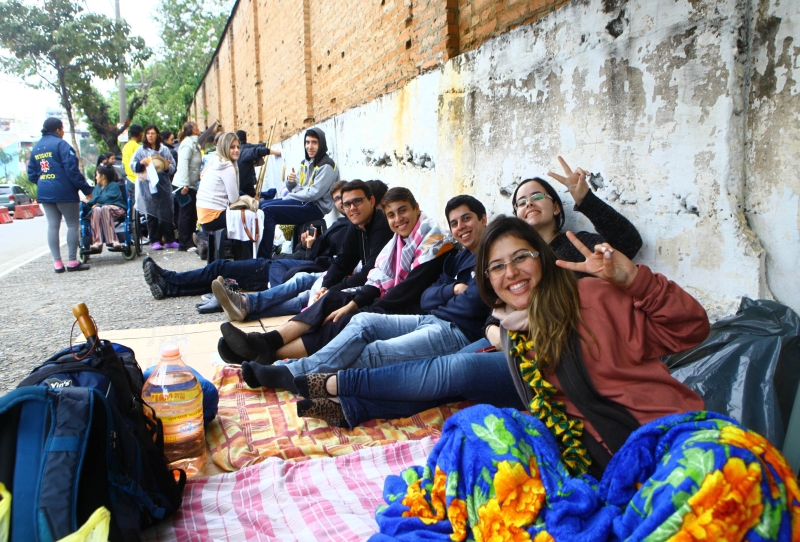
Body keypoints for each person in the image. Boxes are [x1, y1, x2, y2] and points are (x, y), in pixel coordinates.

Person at [368, 216, 797, 540]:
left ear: (543, 259)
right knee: (473, 430)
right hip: (590, 472)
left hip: (664, 442)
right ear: (487, 280)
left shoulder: (592, 295)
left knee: (729, 465)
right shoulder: (515, 335)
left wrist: (634, 280)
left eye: (521, 257)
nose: (511, 272)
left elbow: (691, 329)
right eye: (497, 266)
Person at [246, 195, 492, 396]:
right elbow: (428, 296)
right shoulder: (457, 256)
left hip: (454, 331)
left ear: (484, 219)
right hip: (431, 317)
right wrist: (453, 290)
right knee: (358, 319)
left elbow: (469, 304)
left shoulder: (461, 250)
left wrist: (364, 302)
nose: (460, 228)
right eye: (455, 223)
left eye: (466, 219)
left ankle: (293, 371)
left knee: (370, 347)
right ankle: (272, 345)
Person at [223, 187, 451, 375]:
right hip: (390, 297)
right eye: (392, 214)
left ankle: (266, 352)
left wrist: (363, 307)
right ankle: (268, 341)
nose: (398, 219)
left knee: (344, 318)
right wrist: (346, 297)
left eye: (403, 211)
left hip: (413, 306)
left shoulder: (433, 240)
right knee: (333, 298)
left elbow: (408, 290)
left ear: (416, 209)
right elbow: (368, 273)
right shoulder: (399, 240)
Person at [210, 180, 391, 324]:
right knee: (302, 281)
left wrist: (331, 289)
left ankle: (246, 307)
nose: (352, 208)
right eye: (347, 204)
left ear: (372, 201)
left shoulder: (381, 225)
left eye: (357, 202)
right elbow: (343, 261)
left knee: (306, 296)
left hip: (375, 286)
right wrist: (326, 286)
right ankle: (245, 304)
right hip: (341, 272)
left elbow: (371, 271)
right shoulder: (355, 225)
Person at [141, 180, 351, 300]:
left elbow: (328, 263)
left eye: (346, 199)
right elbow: (316, 256)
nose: (344, 204)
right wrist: (307, 245)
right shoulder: (340, 225)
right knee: (222, 276)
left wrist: (311, 248)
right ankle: (169, 286)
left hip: (278, 268)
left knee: (220, 268)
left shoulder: (349, 231)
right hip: (284, 264)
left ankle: (170, 279)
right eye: (338, 200)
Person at [257, 128, 338, 258]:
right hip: (303, 202)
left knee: (268, 211)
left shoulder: (327, 165)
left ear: (321, 144)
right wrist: (291, 182)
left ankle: (263, 258)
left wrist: (291, 195)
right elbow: (299, 188)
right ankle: (259, 253)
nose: (309, 147)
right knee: (260, 206)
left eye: (314, 143)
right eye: (307, 142)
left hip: (315, 207)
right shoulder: (305, 163)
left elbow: (313, 194)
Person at [27, 117, 94, 273]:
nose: (63, 132)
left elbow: (31, 174)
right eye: (62, 129)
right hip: (64, 192)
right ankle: (72, 261)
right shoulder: (61, 145)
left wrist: (45, 182)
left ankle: (57, 263)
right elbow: (72, 170)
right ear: (57, 129)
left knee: (52, 225)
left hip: (45, 192)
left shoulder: (36, 148)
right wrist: (86, 190)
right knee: (72, 225)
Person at [131, 124, 177, 250]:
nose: (150, 136)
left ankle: (170, 239)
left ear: (157, 135)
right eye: (148, 133)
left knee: (167, 212)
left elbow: (172, 166)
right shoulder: (141, 150)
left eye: (153, 133)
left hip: (163, 185)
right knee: (151, 213)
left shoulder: (164, 150)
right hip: (147, 186)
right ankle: (155, 240)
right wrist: (141, 163)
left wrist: (166, 166)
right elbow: (132, 165)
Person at [195, 131, 240, 236]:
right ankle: (248, 252)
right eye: (232, 147)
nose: (236, 150)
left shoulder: (215, 160)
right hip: (214, 216)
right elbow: (234, 199)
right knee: (249, 217)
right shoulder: (227, 166)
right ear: (224, 148)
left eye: (238, 147)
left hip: (203, 215)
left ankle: (204, 239)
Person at [173, 121, 202, 251]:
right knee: (185, 214)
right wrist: (185, 184)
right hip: (183, 185)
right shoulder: (187, 144)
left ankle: (190, 240)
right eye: (197, 127)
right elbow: (183, 164)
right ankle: (185, 243)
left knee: (191, 213)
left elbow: (193, 165)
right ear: (194, 130)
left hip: (191, 184)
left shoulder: (194, 144)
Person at [84, 163, 127, 250]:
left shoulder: (114, 185)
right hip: (102, 210)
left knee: (104, 208)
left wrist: (97, 202)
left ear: (103, 176)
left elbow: (106, 198)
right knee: (96, 209)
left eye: (97, 175)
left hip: (117, 208)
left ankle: (113, 240)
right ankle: (97, 242)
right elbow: (98, 200)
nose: (96, 177)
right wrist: (97, 203)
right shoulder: (97, 187)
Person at [235, 129, 281, 197]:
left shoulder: (239, 152)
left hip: (242, 185)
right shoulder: (247, 148)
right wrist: (276, 152)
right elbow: (261, 147)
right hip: (247, 183)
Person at [121, 124, 143, 202]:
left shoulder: (125, 146)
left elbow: (123, 166)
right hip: (136, 180)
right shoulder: (137, 147)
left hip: (128, 179)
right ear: (140, 134)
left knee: (131, 202)